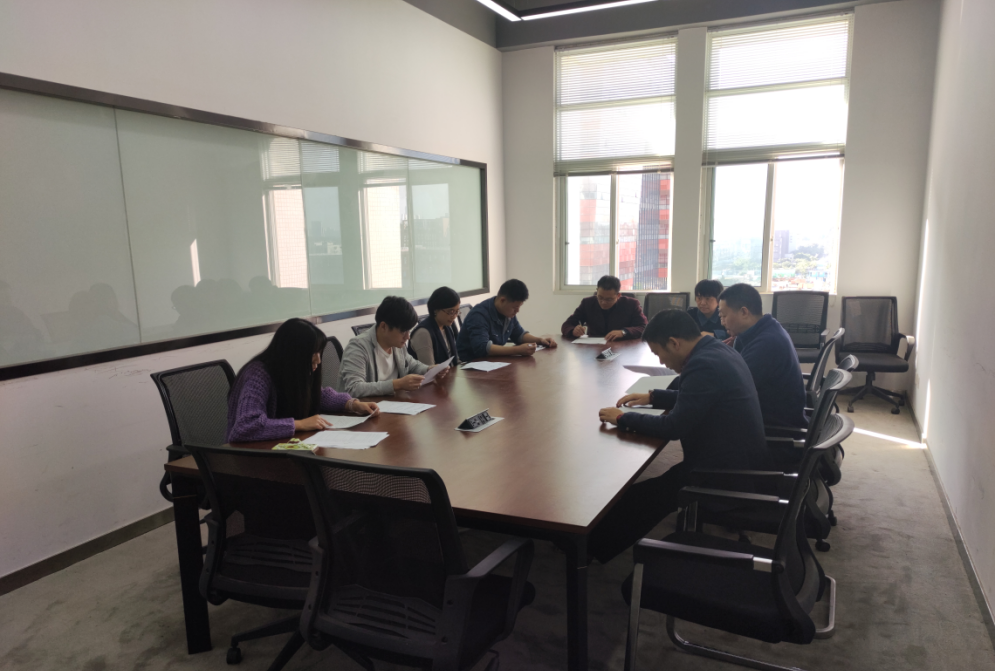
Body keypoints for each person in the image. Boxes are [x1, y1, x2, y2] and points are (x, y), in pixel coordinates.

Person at [589, 310, 769, 563]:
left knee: (641, 499)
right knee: (648, 492)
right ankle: (594, 543)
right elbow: (700, 397)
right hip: (738, 459)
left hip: (725, 474)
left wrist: (622, 418)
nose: (662, 362)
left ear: (674, 343)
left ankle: (588, 550)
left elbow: (673, 427)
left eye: (658, 353)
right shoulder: (716, 349)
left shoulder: (702, 364)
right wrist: (654, 397)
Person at [227, 318, 379, 442]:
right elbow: (245, 426)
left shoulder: (290, 370)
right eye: (314, 353)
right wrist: (299, 424)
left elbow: (318, 396)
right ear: (294, 354)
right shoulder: (257, 375)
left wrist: (352, 405)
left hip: (284, 447)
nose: (318, 360)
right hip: (250, 457)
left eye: (319, 352)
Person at [717, 283, 807, 429]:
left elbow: (732, 388)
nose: (722, 322)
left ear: (744, 312)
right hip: (763, 415)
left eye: (724, 316)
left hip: (775, 427)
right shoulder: (765, 329)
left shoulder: (768, 343)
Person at [339, 295, 446, 397]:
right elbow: (353, 388)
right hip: (363, 408)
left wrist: (429, 370)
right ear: (383, 326)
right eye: (403, 331)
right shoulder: (358, 347)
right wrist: (397, 384)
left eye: (409, 331)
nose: (408, 337)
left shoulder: (396, 345)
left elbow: (412, 365)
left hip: (390, 403)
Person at [456, 279, 557, 361]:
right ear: (502, 300)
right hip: (472, 365)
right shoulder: (479, 315)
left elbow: (519, 334)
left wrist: (540, 340)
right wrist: (517, 350)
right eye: (515, 307)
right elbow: (482, 348)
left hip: (493, 362)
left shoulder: (507, 312)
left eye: (519, 307)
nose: (517, 311)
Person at [560, 275, 648, 341]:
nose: (603, 302)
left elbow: (644, 327)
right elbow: (567, 325)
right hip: (593, 348)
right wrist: (573, 330)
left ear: (618, 295)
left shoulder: (631, 304)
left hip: (622, 347)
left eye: (609, 299)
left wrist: (623, 332)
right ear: (597, 291)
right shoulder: (587, 303)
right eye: (600, 297)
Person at [409, 286, 461, 366]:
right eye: (451, 312)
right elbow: (429, 368)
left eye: (457, 311)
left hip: (450, 373)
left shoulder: (446, 327)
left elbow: (455, 360)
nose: (454, 316)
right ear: (436, 310)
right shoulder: (423, 333)